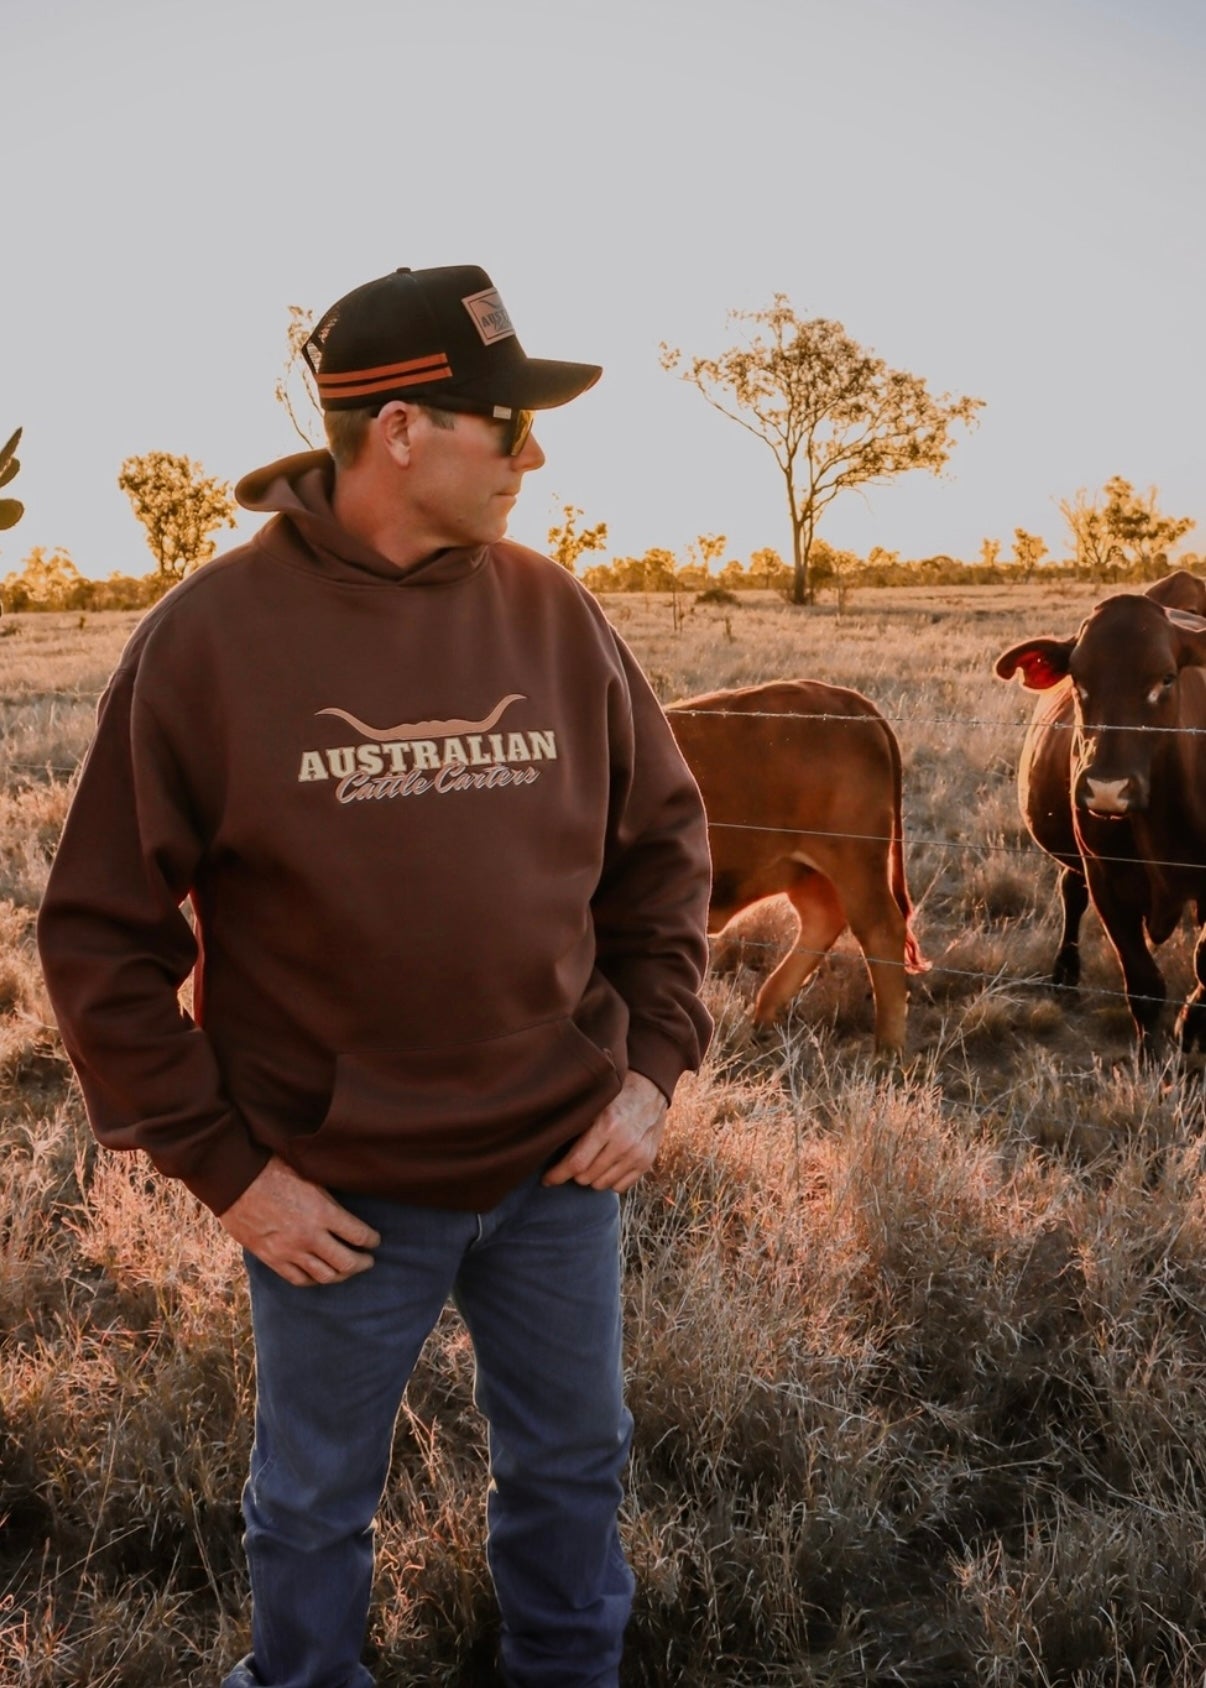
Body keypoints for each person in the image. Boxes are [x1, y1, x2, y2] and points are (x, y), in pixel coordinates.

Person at [36, 263, 713, 1688]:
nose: (532, 456)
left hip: (557, 1167)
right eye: (501, 423)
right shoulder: (209, 641)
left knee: (574, 1466)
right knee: (313, 1506)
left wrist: (650, 1073)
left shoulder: (554, 613)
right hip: (335, 1193)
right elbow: (99, 938)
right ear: (400, 428)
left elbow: (660, 857)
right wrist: (230, 1171)